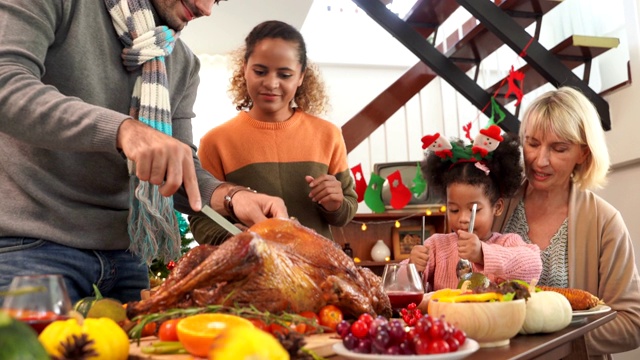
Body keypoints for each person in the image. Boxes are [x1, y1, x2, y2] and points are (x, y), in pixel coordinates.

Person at [0, 0, 288, 304]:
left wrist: (232, 197)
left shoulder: (183, 64)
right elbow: (6, 84)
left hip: (128, 261)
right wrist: (123, 130)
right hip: (31, 251)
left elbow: (178, 167)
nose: (207, 10)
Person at [493, 87, 640, 358]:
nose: (540, 160)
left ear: (583, 153)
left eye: (559, 148)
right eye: (532, 143)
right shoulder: (497, 205)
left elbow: (632, 323)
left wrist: (551, 338)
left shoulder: (605, 222)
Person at [188, 20, 358, 244]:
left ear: (301, 77)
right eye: (260, 71)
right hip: (247, 274)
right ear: (244, 69)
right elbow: (201, 218)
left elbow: (346, 210)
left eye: (284, 75)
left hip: (316, 274)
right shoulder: (216, 141)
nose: (271, 83)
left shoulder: (328, 135)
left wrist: (335, 203)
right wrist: (235, 238)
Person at [409, 130, 542, 290]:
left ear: (497, 207)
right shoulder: (437, 246)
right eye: (454, 210)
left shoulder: (507, 243)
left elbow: (534, 266)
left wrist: (482, 254)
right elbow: (398, 286)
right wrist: (412, 267)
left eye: (474, 210)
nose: (463, 219)